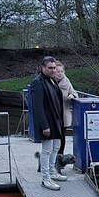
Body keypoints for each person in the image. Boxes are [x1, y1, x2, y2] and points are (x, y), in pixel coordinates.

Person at [27, 56, 67, 190]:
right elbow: (37, 107)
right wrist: (44, 126)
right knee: (47, 150)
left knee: (56, 147)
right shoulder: (37, 82)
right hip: (47, 123)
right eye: (50, 68)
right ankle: (46, 179)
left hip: (56, 121)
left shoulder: (52, 80)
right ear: (43, 68)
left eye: (54, 67)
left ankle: (52, 171)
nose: (53, 70)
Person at [50, 61, 78, 172]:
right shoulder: (50, 82)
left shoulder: (67, 82)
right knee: (52, 139)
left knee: (62, 138)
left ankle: (60, 160)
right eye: (57, 71)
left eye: (62, 71)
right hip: (53, 115)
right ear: (53, 72)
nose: (60, 73)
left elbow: (75, 92)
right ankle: (51, 161)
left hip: (64, 115)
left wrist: (72, 95)